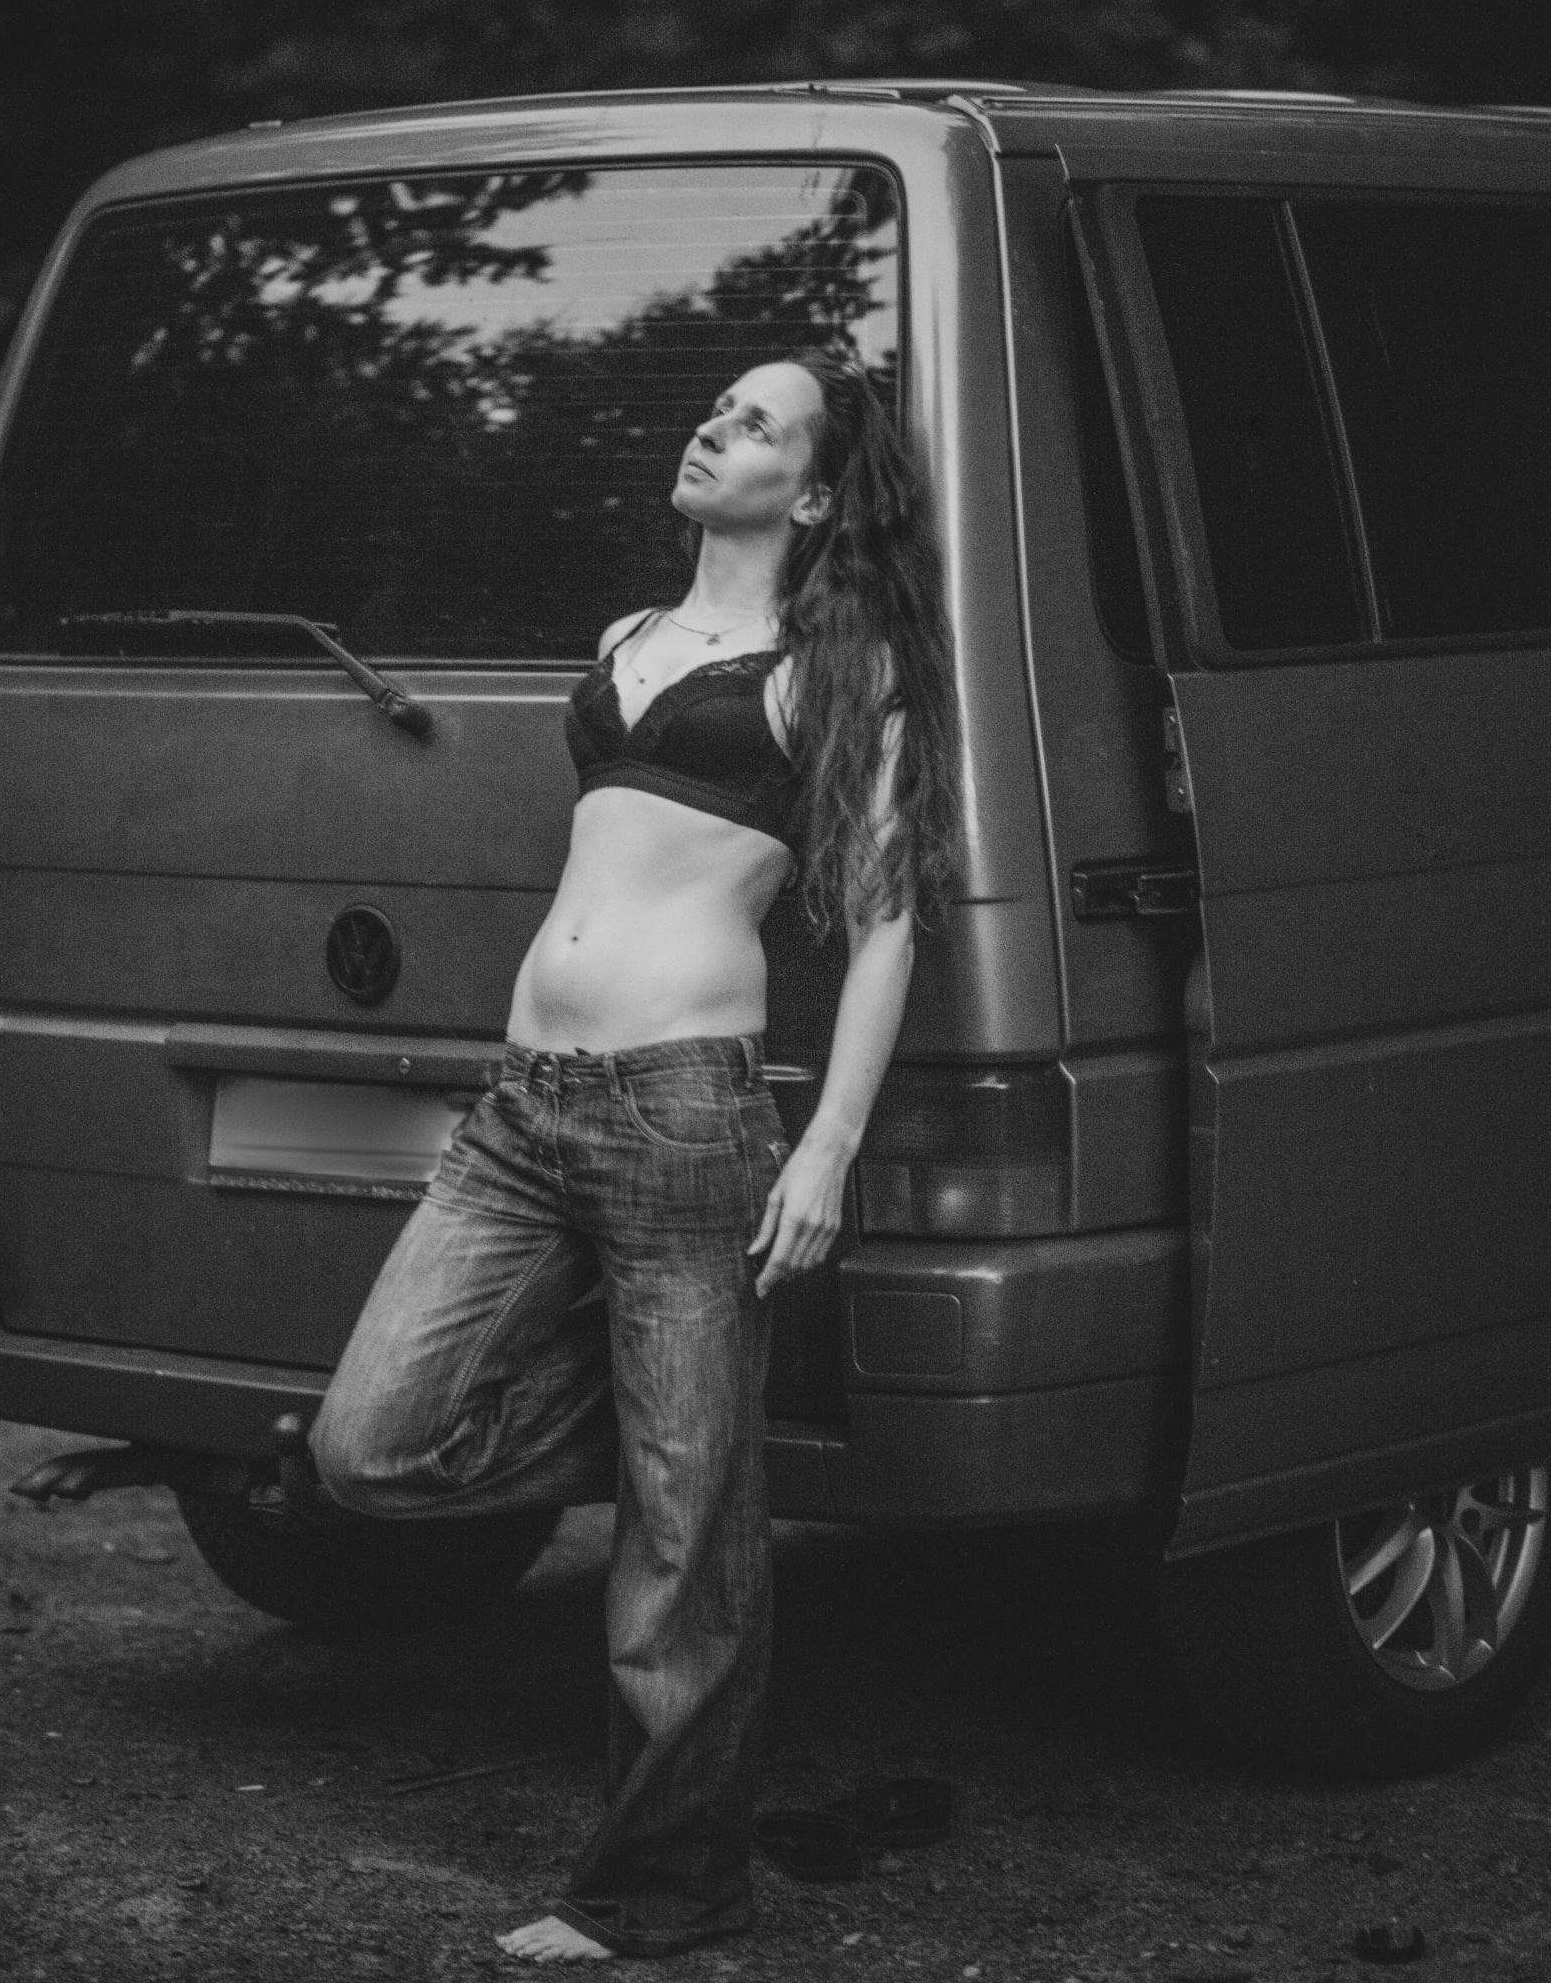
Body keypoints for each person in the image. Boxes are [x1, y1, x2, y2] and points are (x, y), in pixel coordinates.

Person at [308, 348, 961, 1962]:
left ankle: (660, 1889)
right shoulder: (625, 639)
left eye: (756, 422)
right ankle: (698, 1451)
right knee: (368, 1447)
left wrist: (827, 1146)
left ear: (813, 492)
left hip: (685, 1116)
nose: (713, 427)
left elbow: (884, 922)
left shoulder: (842, 662)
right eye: (718, 407)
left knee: (678, 1553)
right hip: (523, 1109)